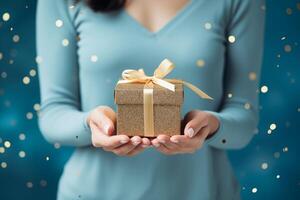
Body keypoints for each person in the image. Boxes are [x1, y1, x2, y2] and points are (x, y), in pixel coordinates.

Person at [36, 0, 265, 199]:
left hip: (205, 192)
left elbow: (244, 116)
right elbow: (53, 113)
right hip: (91, 193)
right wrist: (90, 124)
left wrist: (213, 126)